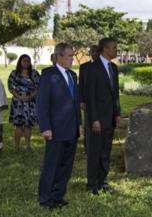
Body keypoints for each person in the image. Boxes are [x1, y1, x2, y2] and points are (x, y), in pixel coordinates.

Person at [37, 43, 80, 209]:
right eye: (69, 55)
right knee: (52, 165)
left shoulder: (73, 75)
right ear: (59, 56)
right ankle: (45, 199)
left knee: (66, 166)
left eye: (72, 55)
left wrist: (80, 124)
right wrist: (45, 127)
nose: (72, 59)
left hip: (72, 128)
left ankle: (58, 196)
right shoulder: (49, 75)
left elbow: (75, 103)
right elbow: (42, 104)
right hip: (55, 129)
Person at [85, 38, 120, 195]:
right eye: (114, 48)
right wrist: (94, 119)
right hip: (98, 119)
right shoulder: (93, 68)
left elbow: (115, 94)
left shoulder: (113, 67)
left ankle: (102, 181)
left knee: (106, 151)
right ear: (105, 49)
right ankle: (92, 183)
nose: (116, 50)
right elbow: (90, 96)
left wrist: (117, 114)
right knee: (95, 152)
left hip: (110, 118)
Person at [8, 54, 40, 151]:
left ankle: (28, 145)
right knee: (18, 125)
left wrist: (30, 96)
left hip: (30, 102)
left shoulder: (34, 73)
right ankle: (16, 146)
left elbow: (39, 86)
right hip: (18, 102)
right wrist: (19, 97)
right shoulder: (14, 73)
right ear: (20, 62)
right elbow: (10, 87)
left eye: (28, 61)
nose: (26, 63)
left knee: (28, 125)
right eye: (24, 61)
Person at [79, 45, 99, 154]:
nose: (95, 53)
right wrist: (81, 100)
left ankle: (98, 148)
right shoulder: (84, 67)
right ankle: (88, 149)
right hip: (87, 102)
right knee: (88, 125)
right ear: (90, 53)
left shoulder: (104, 66)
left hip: (101, 103)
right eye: (93, 51)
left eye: (97, 51)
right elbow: (81, 85)